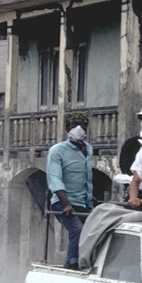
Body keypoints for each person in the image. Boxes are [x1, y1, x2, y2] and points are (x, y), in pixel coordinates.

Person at [46, 112, 94, 268]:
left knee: (94, 231)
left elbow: (86, 177)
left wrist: (90, 197)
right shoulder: (57, 150)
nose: (79, 128)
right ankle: (72, 264)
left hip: (83, 202)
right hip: (63, 203)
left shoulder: (88, 149)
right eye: (74, 125)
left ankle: (89, 263)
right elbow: (54, 178)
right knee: (77, 230)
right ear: (67, 128)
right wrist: (66, 203)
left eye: (82, 125)